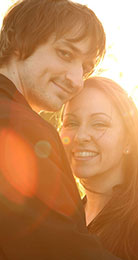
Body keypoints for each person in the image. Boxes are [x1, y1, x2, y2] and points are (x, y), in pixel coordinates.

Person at [0, 1, 121, 259]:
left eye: (85, 68)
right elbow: (64, 250)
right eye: (65, 53)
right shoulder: (21, 127)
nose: (76, 80)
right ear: (20, 41)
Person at [60, 76, 138, 260]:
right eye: (71, 123)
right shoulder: (62, 219)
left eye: (99, 124)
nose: (81, 136)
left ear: (129, 140)